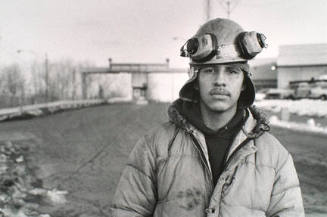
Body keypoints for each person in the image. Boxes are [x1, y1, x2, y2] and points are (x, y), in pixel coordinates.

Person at [111, 18, 305, 217]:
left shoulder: (275, 158)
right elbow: (127, 212)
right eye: (210, 70)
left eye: (232, 71)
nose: (220, 81)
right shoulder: (154, 147)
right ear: (195, 80)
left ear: (244, 82)